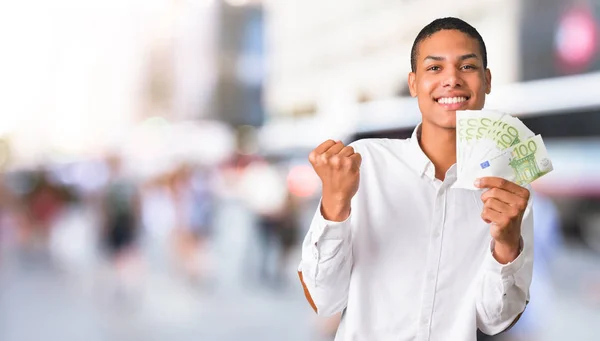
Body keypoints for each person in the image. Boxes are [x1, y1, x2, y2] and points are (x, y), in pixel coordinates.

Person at [297, 17, 534, 341]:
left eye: (467, 66)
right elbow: (325, 301)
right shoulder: (364, 164)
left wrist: (507, 244)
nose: (451, 79)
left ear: (487, 80)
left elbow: (493, 320)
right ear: (413, 83)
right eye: (435, 68)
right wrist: (335, 205)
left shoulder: (508, 190)